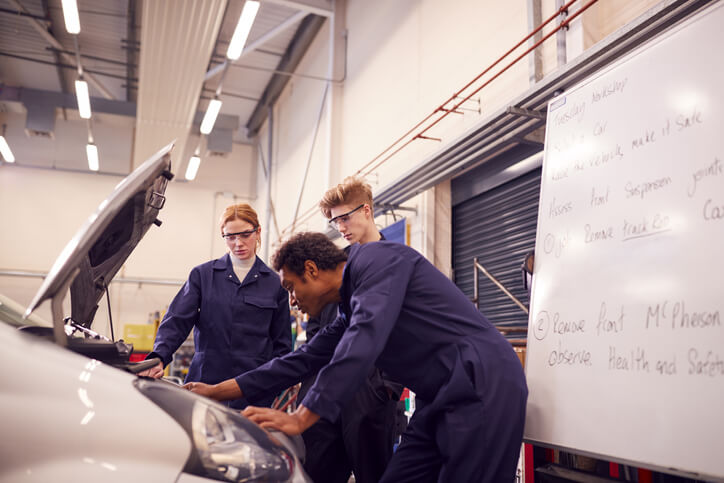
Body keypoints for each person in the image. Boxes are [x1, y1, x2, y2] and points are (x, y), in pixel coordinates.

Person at [186, 232, 528, 482]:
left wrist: (303, 416)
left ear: (311, 269)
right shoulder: (349, 309)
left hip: (481, 383)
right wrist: (215, 391)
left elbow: (366, 335)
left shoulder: (377, 260)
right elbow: (301, 360)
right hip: (438, 397)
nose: (291, 301)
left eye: (291, 287)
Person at [285, 176, 400, 483]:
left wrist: (387, 387)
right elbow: (318, 329)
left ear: (367, 210)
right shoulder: (337, 267)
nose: (341, 227)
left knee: (373, 476)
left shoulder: (397, 263)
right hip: (326, 396)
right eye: (335, 222)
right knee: (315, 474)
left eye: (344, 218)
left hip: (370, 395)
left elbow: (402, 334)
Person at [139, 203, 292, 409]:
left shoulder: (275, 283)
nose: (238, 243)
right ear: (223, 236)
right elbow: (176, 321)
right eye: (230, 236)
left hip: (253, 390)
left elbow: (282, 345)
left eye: (245, 235)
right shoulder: (203, 276)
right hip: (204, 383)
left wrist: (272, 387)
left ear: (258, 232)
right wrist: (158, 357)